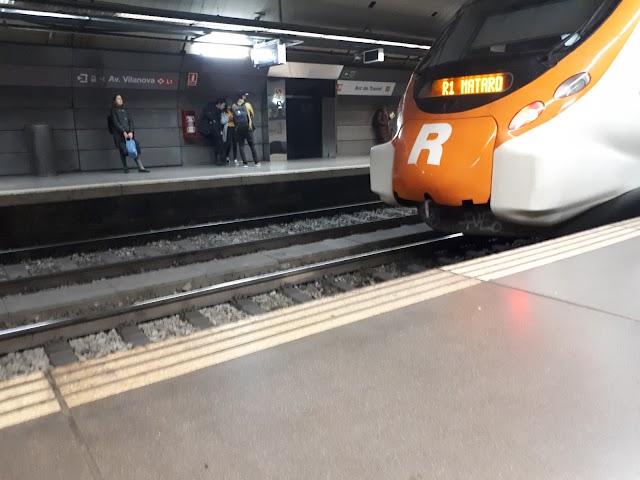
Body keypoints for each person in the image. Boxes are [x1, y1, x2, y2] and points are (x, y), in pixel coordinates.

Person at [110, 94, 150, 173]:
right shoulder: (113, 111)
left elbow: (130, 121)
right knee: (123, 151)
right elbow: (116, 122)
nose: (120, 100)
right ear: (114, 101)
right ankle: (125, 168)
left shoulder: (125, 110)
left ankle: (140, 167)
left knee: (133, 149)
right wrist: (123, 131)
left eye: (121, 98)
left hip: (129, 134)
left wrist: (131, 131)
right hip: (119, 135)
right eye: (118, 99)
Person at [232, 92, 260, 167]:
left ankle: (245, 163)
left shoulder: (234, 106)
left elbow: (234, 117)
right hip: (248, 127)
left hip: (238, 128)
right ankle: (256, 162)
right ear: (243, 97)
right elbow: (252, 115)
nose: (245, 97)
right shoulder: (248, 105)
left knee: (241, 145)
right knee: (252, 145)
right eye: (245, 96)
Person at [201, 98, 227, 165]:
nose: (224, 107)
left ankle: (219, 159)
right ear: (219, 104)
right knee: (219, 144)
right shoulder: (215, 111)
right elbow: (217, 123)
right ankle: (220, 160)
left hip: (215, 130)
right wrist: (220, 130)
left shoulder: (213, 110)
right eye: (223, 105)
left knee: (218, 145)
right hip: (214, 130)